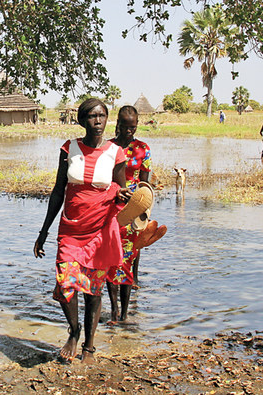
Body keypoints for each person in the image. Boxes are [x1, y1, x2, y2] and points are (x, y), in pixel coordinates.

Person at [33, 98, 131, 364]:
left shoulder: (116, 152)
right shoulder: (70, 148)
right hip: (71, 227)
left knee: (93, 290)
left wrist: (124, 198)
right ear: (82, 119)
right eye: (92, 116)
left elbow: (121, 195)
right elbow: (57, 191)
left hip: (100, 229)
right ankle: (74, 332)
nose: (98, 121)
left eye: (102, 116)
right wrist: (43, 232)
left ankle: (88, 346)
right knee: (66, 284)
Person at [105, 105, 152, 324]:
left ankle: (124, 314)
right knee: (110, 260)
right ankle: (114, 309)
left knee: (127, 259)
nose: (128, 131)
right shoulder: (107, 148)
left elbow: (145, 185)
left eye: (132, 127)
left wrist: (143, 213)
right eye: (125, 127)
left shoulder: (144, 149)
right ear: (118, 125)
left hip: (133, 212)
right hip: (109, 210)